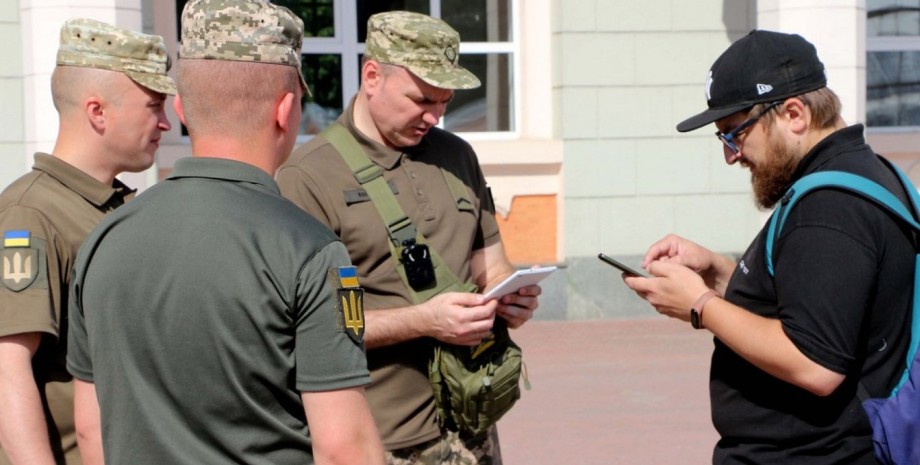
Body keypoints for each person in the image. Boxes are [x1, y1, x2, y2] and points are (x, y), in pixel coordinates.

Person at [64, 1, 385, 464]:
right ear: (286, 110)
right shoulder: (310, 251)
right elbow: (344, 450)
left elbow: (91, 429)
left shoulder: (104, 238)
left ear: (180, 108)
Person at [623, 30, 914, 464]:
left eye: (734, 133)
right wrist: (721, 274)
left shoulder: (829, 207)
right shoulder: (872, 173)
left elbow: (815, 364)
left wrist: (700, 305)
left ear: (794, 114)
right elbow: (817, 303)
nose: (731, 155)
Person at [277, 10, 541, 464]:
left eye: (445, 102)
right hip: (381, 440)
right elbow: (312, 328)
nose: (435, 116)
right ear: (372, 76)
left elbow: (491, 265)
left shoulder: (457, 155)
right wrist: (424, 321)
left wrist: (510, 295)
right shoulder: (309, 176)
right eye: (422, 99)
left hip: (471, 424)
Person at [0, 18, 174, 465]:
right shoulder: (31, 213)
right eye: (154, 106)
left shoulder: (117, 208)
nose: (166, 123)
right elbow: (6, 367)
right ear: (98, 112)